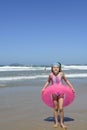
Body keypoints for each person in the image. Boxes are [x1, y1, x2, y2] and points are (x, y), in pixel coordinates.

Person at [42, 62, 75, 128]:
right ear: (52, 68)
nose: (55, 68)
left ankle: (62, 123)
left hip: (61, 93)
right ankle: (56, 122)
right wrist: (43, 88)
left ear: (59, 68)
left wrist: (72, 87)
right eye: (54, 67)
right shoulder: (51, 75)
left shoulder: (61, 74)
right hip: (54, 93)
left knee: (61, 108)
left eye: (57, 67)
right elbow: (48, 82)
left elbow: (66, 81)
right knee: (55, 108)